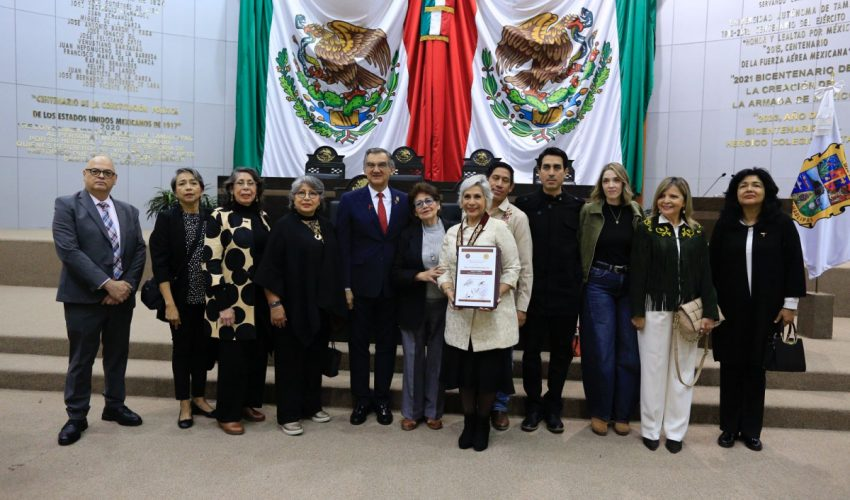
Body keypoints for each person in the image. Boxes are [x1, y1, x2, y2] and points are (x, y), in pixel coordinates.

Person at [52, 155, 147, 446]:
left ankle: (114, 405)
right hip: (84, 298)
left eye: (107, 172)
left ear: (115, 179)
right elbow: (69, 250)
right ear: (85, 174)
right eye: (95, 171)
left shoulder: (129, 211)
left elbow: (139, 251)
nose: (101, 176)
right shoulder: (67, 205)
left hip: (122, 299)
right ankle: (77, 416)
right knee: (82, 359)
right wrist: (106, 285)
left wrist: (127, 286)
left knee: (117, 355)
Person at [710, 168, 805, 451]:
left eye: (756, 185)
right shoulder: (725, 225)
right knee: (730, 368)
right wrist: (710, 302)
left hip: (767, 310)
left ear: (767, 191)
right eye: (743, 185)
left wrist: (790, 304)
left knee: (755, 368)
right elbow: (711, 267)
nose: (749, 189)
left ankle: (751, 429)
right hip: (730, 311)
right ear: (735, 193)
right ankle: (728, 427)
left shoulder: (782, 225)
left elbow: (793, 265)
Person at [630, 176, 719, 453]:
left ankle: (676, 431)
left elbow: (706, 274)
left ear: (684, 202)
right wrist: (637, 311)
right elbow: (638, 271)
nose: (666, 201)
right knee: (653, 371)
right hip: (654, 309)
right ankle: (651, 429)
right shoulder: (646, 228)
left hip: (687, 313)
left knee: (682, 372)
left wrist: (709, 311)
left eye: (674, 197)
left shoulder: (695, 232)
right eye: (663, 196)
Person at [255, 176, 347, 436]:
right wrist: (274, 304)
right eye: (301, 193)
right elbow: (269, 270)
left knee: (313, 360)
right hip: (290, 308)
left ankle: (311, 406)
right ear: (292, 199)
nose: (307, 197)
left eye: (313, 193)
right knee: (290, 364)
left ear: (320, 199)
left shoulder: (327, 226)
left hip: (319, 307)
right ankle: (289, 414)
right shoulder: (283, 227)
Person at [438, 175, 521, 451]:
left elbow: (513, 269)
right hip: (460, 317)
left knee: (486, 377)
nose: (472, 202)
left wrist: (495, 293)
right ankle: (469, 421)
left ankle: (483, 423)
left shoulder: (498, 228)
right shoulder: (452, 232)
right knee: (465, 376)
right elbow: (444, 271)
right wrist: (449, 290)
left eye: (477, 197)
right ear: (461, 200)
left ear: (486, 200)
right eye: (467, 197)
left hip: (492, 317)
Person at [336, 147, 409, 425]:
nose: (376, 169)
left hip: (392, 287)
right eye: (370, 165)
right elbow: (343, 247)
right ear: (364, 169)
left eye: (381, 165)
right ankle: (361, 400)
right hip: (360, 287)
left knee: (388, 347)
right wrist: (345, 286)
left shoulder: (404, 201)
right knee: (358, 346)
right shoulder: (350, 200)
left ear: (391, 169)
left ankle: (381, 400)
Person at [514, 147, 584, 434]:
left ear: (566, 171)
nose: (552, 172)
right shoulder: (524, 205)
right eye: (547, 167)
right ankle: (532, 404)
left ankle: (553, 404)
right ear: (538, 170)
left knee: (560, 353)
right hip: (532, 294)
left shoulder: (579, 208)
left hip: (566, 294)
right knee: (530, 352)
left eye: (558, 167)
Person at [203, 167, 271, 435]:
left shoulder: (263, 217)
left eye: (250, 183)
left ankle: (246, 404)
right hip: (232, 301)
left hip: (259, 300)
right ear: (230, 189)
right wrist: (223, 304)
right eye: (240, 183)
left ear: (257, 189)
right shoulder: (219, 216)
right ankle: (227, 412)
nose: (245, 188)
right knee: (233, 360)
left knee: (255, 356)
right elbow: (210, 261)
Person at [578, 162, 644, 437]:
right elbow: (580, 245)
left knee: (628, 351)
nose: (611, 185)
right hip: (599, 282)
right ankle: (600, 411)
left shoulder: (636, 212)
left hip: (628, 284)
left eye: (616, 180)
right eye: (606, 180)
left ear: (624, 184)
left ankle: (623, 413)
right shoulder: (590, 210)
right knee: (602, 350)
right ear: (600, 184)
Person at [149, 168, 216, 429]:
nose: (188, 187)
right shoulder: (166, 218)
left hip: (208, 300)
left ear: (201, 188)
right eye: (182, 184)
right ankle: (184, 403)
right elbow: (161, 264)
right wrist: (169, 304)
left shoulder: (213, 217)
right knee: (182, 350)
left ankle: (199, 396)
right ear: (175, 191)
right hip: (179, 299)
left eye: (193, 183)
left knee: (203, 350)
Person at [391, 182, 454, 431]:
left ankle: (433, 411)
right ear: (414, 211)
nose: (425, 206)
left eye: (429, 201)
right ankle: (411, 412)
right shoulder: (406, 234)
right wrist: (420, 275)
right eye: (419, 203)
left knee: (438, 359)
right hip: (414, 304)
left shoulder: (454, 229)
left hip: (445, 306)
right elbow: (395, 272)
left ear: (439, 204)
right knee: (413, 359)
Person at [485, 162, 533, 431]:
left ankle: (500, 406)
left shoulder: (517, 217)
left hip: (506, 298)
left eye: (505, 180)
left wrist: (522, 306)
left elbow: (525, 265)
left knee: (503, 355)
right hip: (475, 297)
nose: (499, 184)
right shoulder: (472, 206)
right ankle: (481, 401)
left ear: (511, 187)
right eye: (495, 178)